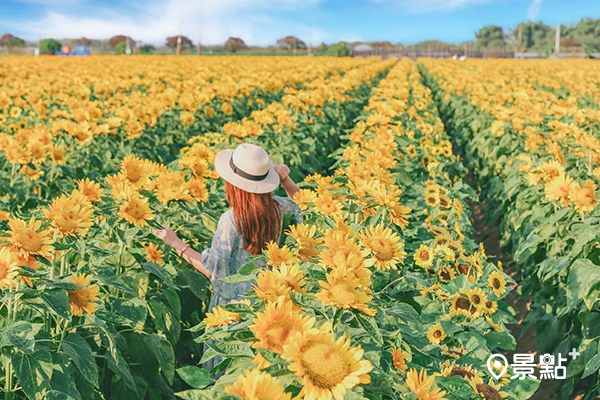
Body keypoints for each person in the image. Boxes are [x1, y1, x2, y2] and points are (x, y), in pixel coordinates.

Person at [155, 143, 301, 311]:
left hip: (234, 308)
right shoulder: (277, 208)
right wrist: (285, 180)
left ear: (232, 185)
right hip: (266, 300)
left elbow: (212, 269)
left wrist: (177, 244)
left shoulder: (231, 219)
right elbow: (304, 205)